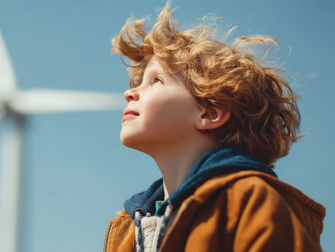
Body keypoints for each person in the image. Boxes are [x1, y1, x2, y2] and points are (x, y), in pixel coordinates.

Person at [104, 2, 325, 252]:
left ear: (210, 112)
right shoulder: (127, 230)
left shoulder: (254, 202)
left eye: (156, 80)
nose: (129, 92)